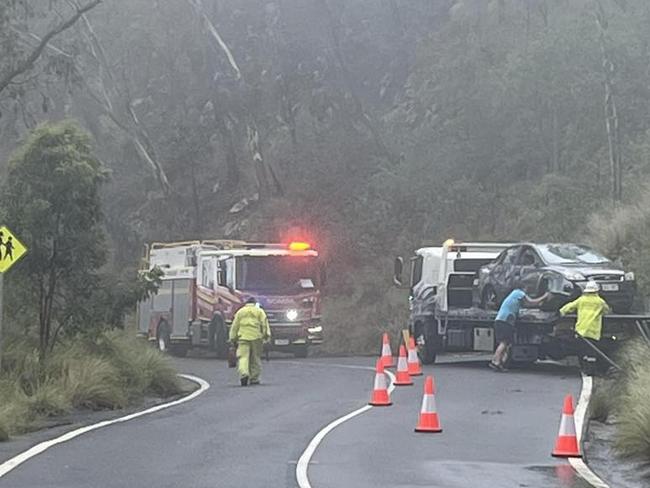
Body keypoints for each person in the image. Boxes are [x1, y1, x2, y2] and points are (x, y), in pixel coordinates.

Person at [490, 288, 549, 371]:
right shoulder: (518, 292)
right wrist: (544, 296)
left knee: (506, 344)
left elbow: (528, 304)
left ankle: (500, 363)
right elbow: (531, 302)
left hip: (500, 320)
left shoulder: (513, 297)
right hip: (505, 321)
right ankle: (495, 361)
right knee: (504, 342)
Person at [559, 281, 611, 373]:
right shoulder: (600, 302)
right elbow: (607, 311)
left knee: (583, 350)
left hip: (581, 330)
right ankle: (591, 370)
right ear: (596, 291)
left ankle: (585, 368)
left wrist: (561, 312)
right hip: (593, 331)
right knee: (592, 352)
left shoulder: (581, 300)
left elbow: (569, 306)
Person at [229, 297, 271, 386]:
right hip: (256, 337)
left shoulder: (240, 312)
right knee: (255, 358)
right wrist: (266, 336)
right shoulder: (259, 312)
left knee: (243, 357)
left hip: (243, 338)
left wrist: (232, 338)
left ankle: (244, 374)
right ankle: (254, 378)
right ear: (255, 303)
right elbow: (264, 324)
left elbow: (235, 326)